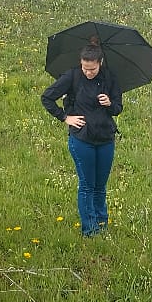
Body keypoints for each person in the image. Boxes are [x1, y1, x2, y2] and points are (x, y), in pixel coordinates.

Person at [40, 42, 123, 236]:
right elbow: (47, 97)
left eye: (92, 69)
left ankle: (102, 224)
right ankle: (90, 229)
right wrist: (65, 117)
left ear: (100, 63)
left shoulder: (110, 77)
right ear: (80, 63)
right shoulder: (72, 76)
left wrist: (110, 103)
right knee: (87, 184)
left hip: (105, 138)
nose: (88, 72)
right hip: (81, 139)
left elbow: (118, 108)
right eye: (85, 68)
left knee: (100, 186)